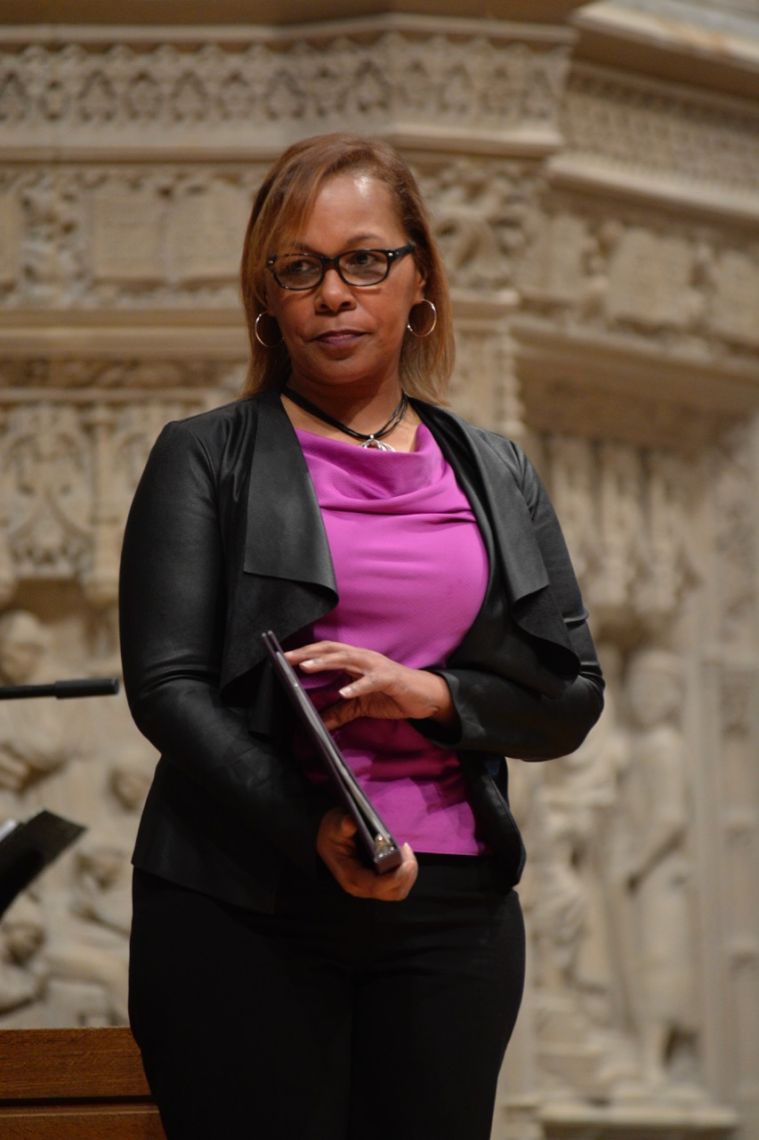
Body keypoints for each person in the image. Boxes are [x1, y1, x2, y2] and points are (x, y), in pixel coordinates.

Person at [120, 133, 604, 1140]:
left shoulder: (495, 471)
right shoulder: (204, 456)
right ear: (268, 295)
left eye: (365, 260)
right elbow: (167, 686)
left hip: (453, 906)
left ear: (419, 279)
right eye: (300, 268)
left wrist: (428, 695)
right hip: (243, 896)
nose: (333, 293)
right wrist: (310, 827)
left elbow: (570, 700)